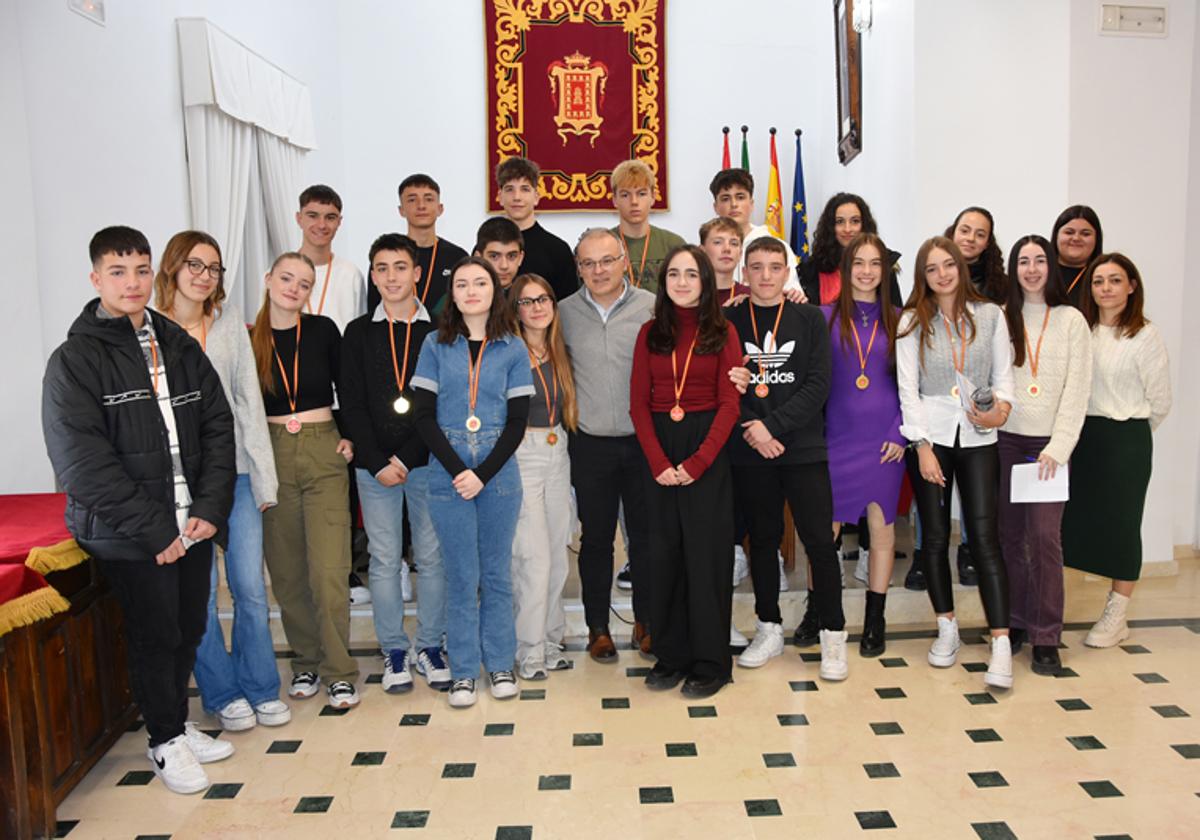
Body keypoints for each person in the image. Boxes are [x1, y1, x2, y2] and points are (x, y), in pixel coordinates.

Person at [42, 226, 235, 794]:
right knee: (155, 634)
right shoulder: (75, 359)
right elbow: (82, 463)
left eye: (142, 270)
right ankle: (165, 740)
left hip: (190, 522)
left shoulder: (176, 344)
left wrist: (210, 507)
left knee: (189, 627)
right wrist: (155, 531)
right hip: (131, 533)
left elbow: (217, 427)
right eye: (118, 271)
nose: (133, 282)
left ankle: (176, 723)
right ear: (95, 278)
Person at [154, 231, 290, 732]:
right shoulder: (149, 329)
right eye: (195, 264)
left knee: (251, 587)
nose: (204, 276)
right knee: (202, 594)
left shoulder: (230, 323)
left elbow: (249, 402)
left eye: (213, 268)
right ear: (173, 266)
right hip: (180, 482)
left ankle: (261, 687)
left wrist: (265, 479)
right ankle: (222, 692)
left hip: (236, 473)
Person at [411, 257, 534, 708]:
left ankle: (499, 664)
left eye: (480, 283)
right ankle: (463, 671)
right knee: (461, 577)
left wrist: (482, 475)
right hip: (448, 475)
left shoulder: (513, 347)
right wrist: (458, 471)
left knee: (496, 575)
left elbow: (518, 422)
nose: (471, 291)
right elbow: (423, 417)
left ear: (494, 291)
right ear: (453, 294)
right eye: (461, 284)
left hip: (498, 477)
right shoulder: (434, 344)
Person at [897, 236, 1015, 689]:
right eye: (931, 269)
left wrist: (1001, 410)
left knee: (984, 538)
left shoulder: (990, 315)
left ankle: (1000, 642)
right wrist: (921, 445)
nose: (942, 274)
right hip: (932, 436)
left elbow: (1003, 378)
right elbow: (908, 388)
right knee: (933, 537)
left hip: (980, 433)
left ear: (960, 268)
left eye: (948, 265)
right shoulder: (913, 320)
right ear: (922, 277)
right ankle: (946, 626)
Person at [725, 238, 844, 677]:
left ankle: (833, 635)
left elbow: (818, 384)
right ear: (744, 272)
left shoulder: (809, 317)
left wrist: (771, 427)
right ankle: (769, 628)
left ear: (786, 271)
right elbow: (721, 384)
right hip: (749, 448)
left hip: (802, 448)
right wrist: (753, 428)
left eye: (775, 267)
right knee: (762, 539)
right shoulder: (728, 319)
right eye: (756, 267)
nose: (766, 276)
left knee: (820, 542)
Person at [339, 233, 452, 694]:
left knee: (431, 556)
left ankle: (430, 645)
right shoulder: (357, 333)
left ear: (417, 273)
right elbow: (351, 403)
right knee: (384, 559)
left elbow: (441, 404)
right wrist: (376, 460)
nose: (391, 277)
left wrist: (407, 457)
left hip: (427, 462)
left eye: (400, 267)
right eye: (382, 268)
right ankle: (394, 650)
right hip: (375, 467)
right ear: (373, 275)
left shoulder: (440, 331)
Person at [631, 245, 742, 698]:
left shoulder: (724, 331)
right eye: (674, 274)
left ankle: (711, 662)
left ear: (705, 282)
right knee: (664, 557)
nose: (681, 282)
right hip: (658, 449)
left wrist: (697, 463)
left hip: (706, 450)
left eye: (691, 274)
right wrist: (659, 462)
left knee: (706, 559)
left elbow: (730, 404)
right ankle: (671, 655)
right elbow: (638, 404)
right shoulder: (649, 332)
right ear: (664, 282)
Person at [251, 252, 360, 709]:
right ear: (268, 279)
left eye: (304, 283)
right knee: (288, 572)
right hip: (271, 453)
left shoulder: (322, 330)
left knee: (329, 570)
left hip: (322, 447)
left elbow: (347, 387)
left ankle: (339, 670)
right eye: (286, 278)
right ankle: (306, 662)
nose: (294, 288)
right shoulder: (249, 339)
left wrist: (350, 435)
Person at [1063, 253, 1171, 647]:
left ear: (1131, 286)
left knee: (1123, 527)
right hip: (1083, 438)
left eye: (1114, 280)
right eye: (1098, 281)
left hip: (1127, 440)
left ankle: (1116, 615)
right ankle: (1051, 607)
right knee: (1071, 524)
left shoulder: (1145, 335)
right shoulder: (1082, 330)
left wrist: (1129, 433)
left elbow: (1160, 401)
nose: (1106, 288)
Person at [558, 229, 656, 662]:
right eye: (588, 263)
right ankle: (597, 627)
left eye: (606, 260)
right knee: (595, 540)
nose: (598, 270)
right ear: (578, 268)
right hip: (590, 444)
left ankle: (647, 621)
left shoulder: (652, 307)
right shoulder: (562, 312)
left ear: (624, 262)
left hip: (643, 443)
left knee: (646, 538)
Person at [997, 235, 1091, 675]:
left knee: (1045, 540)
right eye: (1023, 261)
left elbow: (1078, 389)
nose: (1031, 269)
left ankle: (1047, 635)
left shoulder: (1072, 321)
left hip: (1049, 447)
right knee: (1011, 538)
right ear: (1013, 269)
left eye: (1039, 260)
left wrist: (1059, 446)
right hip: (1007, 441)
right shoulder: (1003, 316)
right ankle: (1016, 620)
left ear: (1051, 266)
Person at [820, 233, 904, 658]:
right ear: (846, 268)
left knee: (881, 530)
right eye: (859, 263)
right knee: (824, 533)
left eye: (875, 263)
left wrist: (900, 431)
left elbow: (916, 384)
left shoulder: (902, 320)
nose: (867, 271)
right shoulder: (823, 317)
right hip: (835, 439)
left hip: (886, 440)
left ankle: (875, 618)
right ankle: (820, 612)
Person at [509, 273, 578, 679]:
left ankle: (551, 640)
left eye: (543, 299)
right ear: (515, 309)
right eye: (527, 301)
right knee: (532, 559)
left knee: (556, 555)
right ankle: (529, 649)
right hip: (523, 454)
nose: (537, 308)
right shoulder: (508, 352)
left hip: (558, 450)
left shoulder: (560, 350)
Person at [368, 174, 470, 315]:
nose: (421, 206)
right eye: (412, 200)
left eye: (428, 199)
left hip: (445, 329)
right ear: (401, 210)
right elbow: (374, 310)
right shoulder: (386, 257)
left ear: (440, 208)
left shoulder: (457, 256)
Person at [495, 157, 577, 301]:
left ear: (536, 197)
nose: (517, 197)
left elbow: (567, 307)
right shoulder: (488, 247)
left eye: (525, 189)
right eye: (509, 189)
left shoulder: (558, 250)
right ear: (500, 197)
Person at [798, 193, 901, 305]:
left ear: (864, 225)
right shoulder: (812, 268)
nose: (847, 229)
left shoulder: (884, 262)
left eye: (855, 221)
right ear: (830, 227)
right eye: (840, 222)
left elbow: (894, 311)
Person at [708, 168, 801, 290]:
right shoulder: (708, 249)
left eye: (740, 197)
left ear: (751, 204)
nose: (734, 204)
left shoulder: (777, 246)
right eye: (725, 199)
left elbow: (792, 293)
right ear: (716, 207)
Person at [295, 184, 367, 332]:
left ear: (339, 222)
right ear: (299, 218)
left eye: (330, 217)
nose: (322, 225)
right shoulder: (278, 274)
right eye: (313, 216)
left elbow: (360, 332)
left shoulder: (351, 274)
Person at [608, 159, 685, 293]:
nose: (634, 202)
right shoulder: (603, 245)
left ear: (653, 197)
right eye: (625, 195)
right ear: (615, 199)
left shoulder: (673, 245)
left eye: (641, 194)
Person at [946, 206, 1007, 304]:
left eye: (980, 235)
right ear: (953, 233)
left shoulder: (1002, 284)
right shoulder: (934, 275)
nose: (971, 238)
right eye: (964, 231)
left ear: (987, 243)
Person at [1050, 205, 1104, 310]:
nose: (1076, 238)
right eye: (1069, 232)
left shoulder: (1102, 279)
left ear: (1097, 239)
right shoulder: (1039, 274)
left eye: (1085, 234)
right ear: (1056, 236)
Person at [699, 217, 750, 304]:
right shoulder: (689, 294)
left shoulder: (750, 297)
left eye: (734, 243)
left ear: (740, 254)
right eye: (718, 242)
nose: (727, 249)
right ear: (702, 251)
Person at [474, 217, 525, 291]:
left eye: (511, 256)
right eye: (494, 256)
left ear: (520, 258)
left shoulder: (532, 296)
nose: (504, 266)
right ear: (479, 258)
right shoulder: (465, 296)